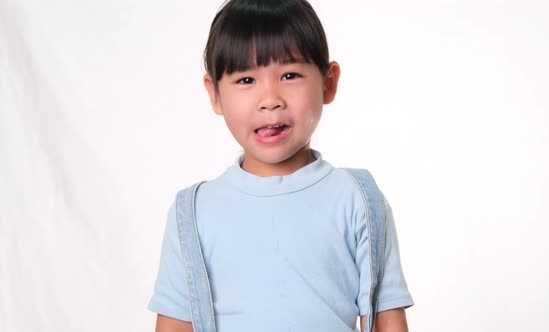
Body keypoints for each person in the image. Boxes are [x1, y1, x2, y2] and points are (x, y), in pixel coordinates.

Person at [147, 0, 413, 331]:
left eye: (290, 75)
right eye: (246, 80)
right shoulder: (194, 212)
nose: (270, 98)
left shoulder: (358, 199)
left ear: (328, 83)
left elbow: (386, 323)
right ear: (214, 93)